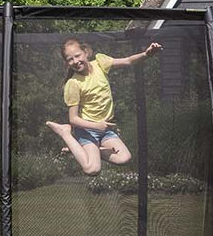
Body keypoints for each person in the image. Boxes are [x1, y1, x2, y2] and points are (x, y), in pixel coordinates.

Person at [45, 37, 161, 175]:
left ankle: (79, 151)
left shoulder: (100, 63)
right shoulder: (74, 83)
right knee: (92, 169)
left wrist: (146, 54)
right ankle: (65, 133)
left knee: (125, 158)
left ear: (86, 52)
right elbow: (73, 119)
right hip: (87, 130)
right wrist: (97, 126)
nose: (76, 61)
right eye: (70, 59)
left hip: (105, 130)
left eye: (77, 55)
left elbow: (128, 60)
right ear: (67, 63)